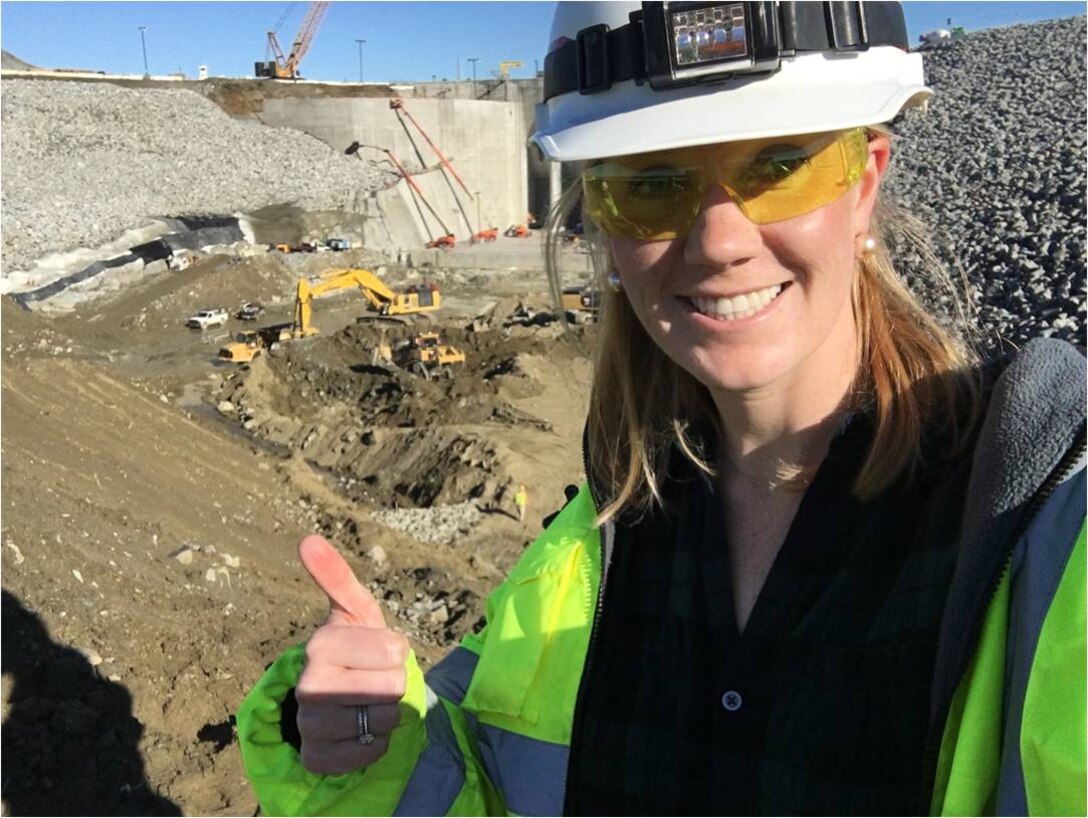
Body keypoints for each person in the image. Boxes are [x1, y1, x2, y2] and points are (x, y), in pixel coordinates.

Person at [237, 2, 1085, 815]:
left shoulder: (1041, 525)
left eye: (780, 166)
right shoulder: (588, 557)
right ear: (602, 225)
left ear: (864, 184)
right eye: (650, 186)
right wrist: (368, 747)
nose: (719, 241)